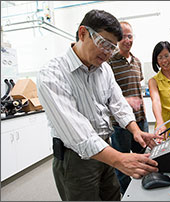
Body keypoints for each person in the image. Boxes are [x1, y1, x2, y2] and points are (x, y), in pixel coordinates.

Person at [37, 10, 161, 201]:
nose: (107, 52)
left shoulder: (104, 70)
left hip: (105, 148)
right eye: (103, 43)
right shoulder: (52, 74)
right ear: (82, 33)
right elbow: (78, 133)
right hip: (76, 158)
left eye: (112, 47)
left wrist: (135, 130)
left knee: (113, 196)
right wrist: (119, 159)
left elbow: (118, 104)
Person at [107, 21, 148, 195]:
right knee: (122, 162)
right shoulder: (109, 62)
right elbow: (106, 94)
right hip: (120, 124)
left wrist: (141, 108)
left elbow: (137, 88)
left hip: (140, 120)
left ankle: (144, 189)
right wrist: (126, 101)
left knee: (144, 158)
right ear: (117, 38)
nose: (127, 40)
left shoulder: (137, 62)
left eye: (130, 36)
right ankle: (128, 194)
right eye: (123, 36)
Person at [148, 41, 170, 141]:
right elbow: (156, 101)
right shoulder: (154, 81)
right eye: (160, 57)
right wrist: (160, 123)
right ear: (156, 61)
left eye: (166, 56)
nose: (164, 60)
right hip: (166, 125)